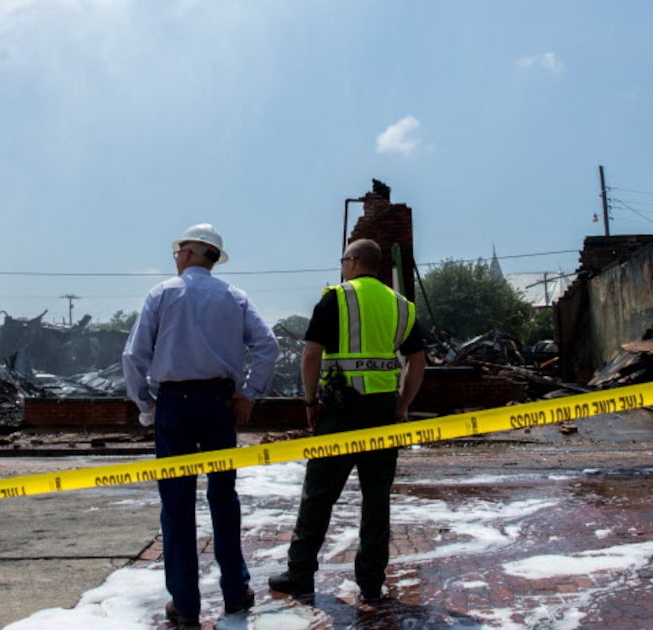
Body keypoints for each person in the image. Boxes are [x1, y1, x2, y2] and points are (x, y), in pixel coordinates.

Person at [122, 223, 280, 629]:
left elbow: (134, 357)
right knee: (223, 500)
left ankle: (186, 605)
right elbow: (268, 346)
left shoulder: (162, 293)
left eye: (179, 251)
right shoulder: (235, 297)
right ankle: (234, 592)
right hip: (218, 405)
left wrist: (146, 406)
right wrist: (248, 394)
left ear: (191, 253)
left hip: (174, 405)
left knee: (176, 505)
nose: (176, 258)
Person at [268, 238, 426, 604]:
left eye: (343, 259)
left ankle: (300, 574)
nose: (342, 265)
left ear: (353, 262)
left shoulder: (336, 297)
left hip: (340, 411)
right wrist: (402, 404)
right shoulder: (401, 306)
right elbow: (417, 363)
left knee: (319, 495)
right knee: (376, 500)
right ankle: (371, 583)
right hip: (383, 412)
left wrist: (309, 401)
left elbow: (310, 355)